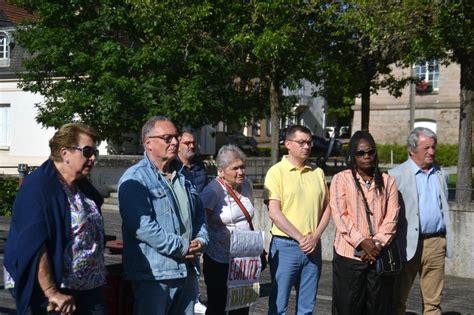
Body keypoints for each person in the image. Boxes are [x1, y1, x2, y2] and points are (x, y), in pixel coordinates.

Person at [3, 123, 105, 314]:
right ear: (65, 152)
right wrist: (52, 292)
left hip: (89, 287)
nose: (93, 158)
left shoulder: (82, 186)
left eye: (95, 152)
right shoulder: (39, 188)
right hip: (56, 294)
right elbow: (33, 244)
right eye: (88, 151)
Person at [118, 116, 209, 315]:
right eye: (168, 138)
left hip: (187, 271)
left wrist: (202, 239)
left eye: (175, 137)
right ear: (148, 143)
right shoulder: (135, 178)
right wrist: (182, 247)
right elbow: (144, 228)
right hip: (155, 276)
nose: (175, 142)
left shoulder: (184, 175)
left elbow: (198, 213)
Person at [330, 130, 400, 315]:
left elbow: (392, 217)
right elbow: (339, 214)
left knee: (378, 307)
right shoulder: (341, 179)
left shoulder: (388, 181)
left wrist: (376, 244)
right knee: (347, 307)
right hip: (349, 256)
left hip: (378, 255)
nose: (366, 156)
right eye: (361, 153)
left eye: (371, 152)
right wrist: (362, 242)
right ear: (352, 156)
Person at [264, 125, 331, 314]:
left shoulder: (317, 172)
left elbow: (328, 206)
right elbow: (274, 213)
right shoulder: (276, 172)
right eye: (301, 142)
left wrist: (316, 236)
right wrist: (301, 238)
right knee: (278, 306)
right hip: (286, 246)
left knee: (307, 307)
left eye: (309, 142)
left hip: (312, 247)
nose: (307, 146)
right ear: (288, 144)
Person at [389, 127, 453, 315]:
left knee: (434, 302)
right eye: (426, 148)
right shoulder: (396, 175)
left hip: (435, 243)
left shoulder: (441, 174)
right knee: (397, 299)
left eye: (433, 147)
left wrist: (443, 241)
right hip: (407, 244)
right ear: (412, 150)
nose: (432, 152)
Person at [200, 144, 256, 315]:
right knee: (218, 306)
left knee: (241, 305)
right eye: (235, 168)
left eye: (242, 167)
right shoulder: (212, 191)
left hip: (244, 258)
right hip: (219, 259)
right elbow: (201, 222)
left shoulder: (247, 185)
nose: (241, 172)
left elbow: (248, 216)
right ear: (221, 171)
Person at [177, 129, 208, 314]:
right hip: (183, 222)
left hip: (199, 218)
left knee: (196, 260)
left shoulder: (199, 166)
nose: (191, 146)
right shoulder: (175, 167)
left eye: (193, 142)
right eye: (187, 143)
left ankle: (194, 296)